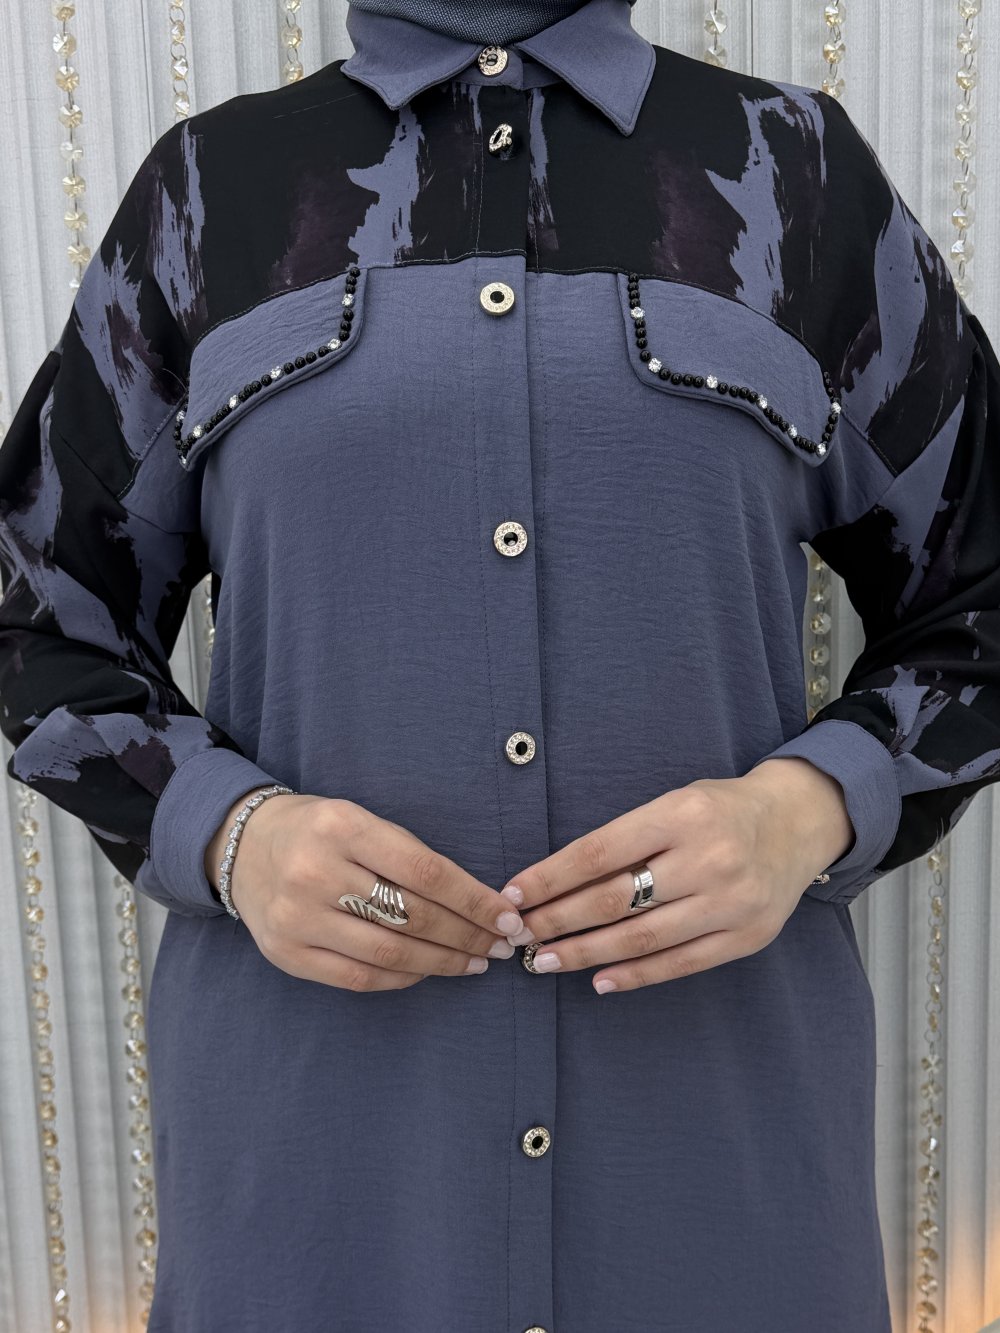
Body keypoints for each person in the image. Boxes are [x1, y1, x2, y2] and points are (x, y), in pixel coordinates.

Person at [1, 0, 998, 1328]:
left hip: (720, 1178)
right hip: (320, 1193)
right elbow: (37, 613)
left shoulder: (795, 175)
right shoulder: (211, 193)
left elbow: (982, 591)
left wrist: (808, 809)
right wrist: (229, 834)